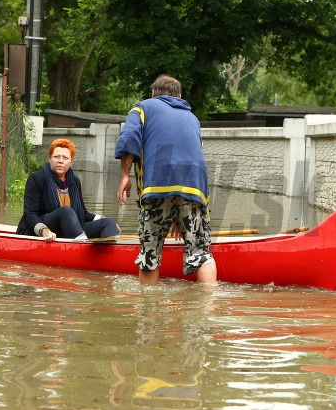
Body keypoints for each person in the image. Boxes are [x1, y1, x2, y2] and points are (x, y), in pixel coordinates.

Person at [114, 74, 217, 285]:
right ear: (179, 96)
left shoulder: (143, 107)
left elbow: (129, 138)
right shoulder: (192, 118)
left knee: (150, 254)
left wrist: (125, 176)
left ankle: (149, 310)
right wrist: (179, 215)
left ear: (153, 93)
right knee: (201, 252)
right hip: (195, 190)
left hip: (156, 186)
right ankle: (208, 308)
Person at [17, 138, 120, 242]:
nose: (60, 161)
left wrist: (99, 218)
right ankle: (82, 247)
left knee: (109, 223)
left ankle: (110, 250)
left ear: (71, 162)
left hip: (70, 229)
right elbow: (30, 214)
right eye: (56, 157)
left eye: (65, 158)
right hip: (42, 229)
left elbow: (82, 214)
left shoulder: (75, 181)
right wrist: (44, 230)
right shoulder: (37, 178)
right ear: (49, 159)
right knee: (66, 211)